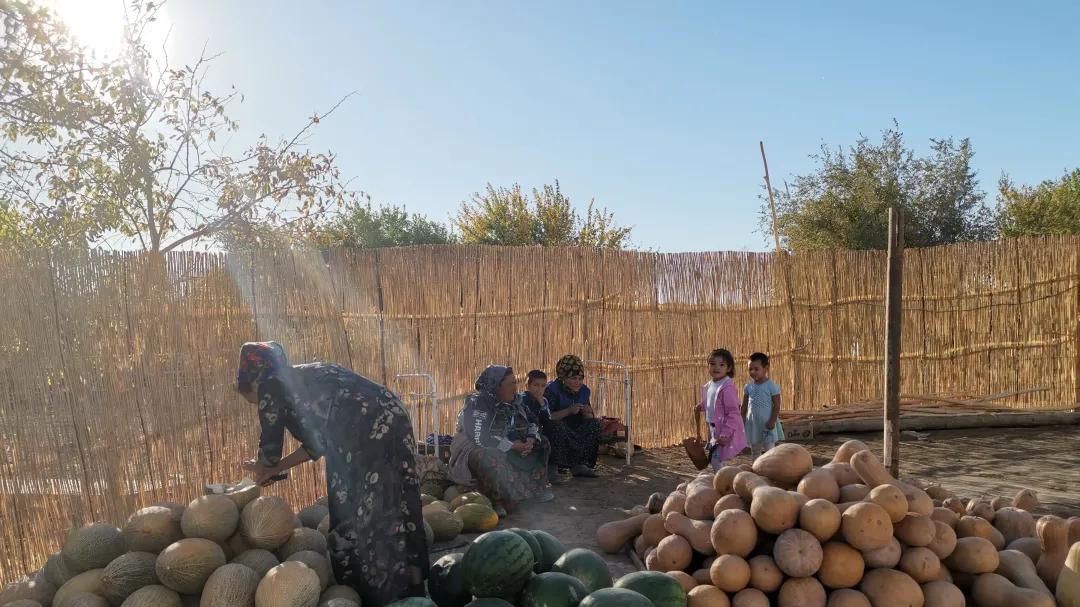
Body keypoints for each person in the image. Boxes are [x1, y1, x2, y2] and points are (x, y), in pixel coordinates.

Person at [236, 342, 427, 607]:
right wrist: (278, 469)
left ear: (252, 379)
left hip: (362, 434)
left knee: (354, 512)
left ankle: (368, 593)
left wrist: (263, 466)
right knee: (399, 500)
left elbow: (269, 449)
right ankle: (412, 587)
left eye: (252, 399)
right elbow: (318, 444)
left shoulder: (270, 383)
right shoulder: (307, 376)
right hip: (393, 416)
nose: (258, 404)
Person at [449, 365, 553, 516]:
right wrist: (511, 446)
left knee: (543, 443)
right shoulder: (478, 404)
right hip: (475, 447)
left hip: (510, 444)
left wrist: (530, 440)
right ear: (496, 385)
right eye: (510, 384)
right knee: (488, 455)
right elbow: (481, 437)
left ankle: (537, 489)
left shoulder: (516, 402)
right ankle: (496, 501)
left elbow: (533, 421)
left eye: (515, 383)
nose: (514, 388)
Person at [543, 354, 601, 478]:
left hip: (576, 425)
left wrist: (588, 413)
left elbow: (589, 417)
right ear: (563, 377)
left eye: (580, 378)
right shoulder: (552, 390)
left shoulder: (584, 391)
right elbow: (547, 417)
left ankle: (580, 465)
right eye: (574, 378)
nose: (578, 382)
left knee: (594, 424)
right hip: (559, 425)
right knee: (557, 427)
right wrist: (568, 411)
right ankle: (556, 467)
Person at [694, 348, 748, 470]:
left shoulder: (727, 388)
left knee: (716, 458)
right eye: (712, 364)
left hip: (723, 428)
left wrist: (726, 433)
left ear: (728, 368)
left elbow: (733, 412)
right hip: (713, 428)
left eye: (721, 365)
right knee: (716, 457)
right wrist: (701, 406)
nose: (716, 367)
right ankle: (722, 479)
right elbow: (713, 402)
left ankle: (723, 481)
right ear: (708, 366)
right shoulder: (710, 385)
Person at [521, 369, 569, 485]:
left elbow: (547, 419)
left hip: (539, 431)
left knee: (555, 428)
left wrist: (541, 403)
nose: (539, 389)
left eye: (543, 386)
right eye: (535, 385)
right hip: (524, 431)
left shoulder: (544, 401)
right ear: (527, 386)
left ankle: (552, 469)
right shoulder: (521, 399)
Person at [743, 352, 785, 461]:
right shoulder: (748, 387)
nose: (752, 372)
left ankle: (770, 471)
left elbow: (776, 405)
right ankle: (756, 470)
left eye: (756, 369)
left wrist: (772, 420)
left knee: (770, 450)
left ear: (766, 368)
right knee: (755, 450)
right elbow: (744, 406)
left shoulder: (771, 386)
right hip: (753, 423)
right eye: (750, 369)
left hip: (767, 423)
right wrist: (741, 420)